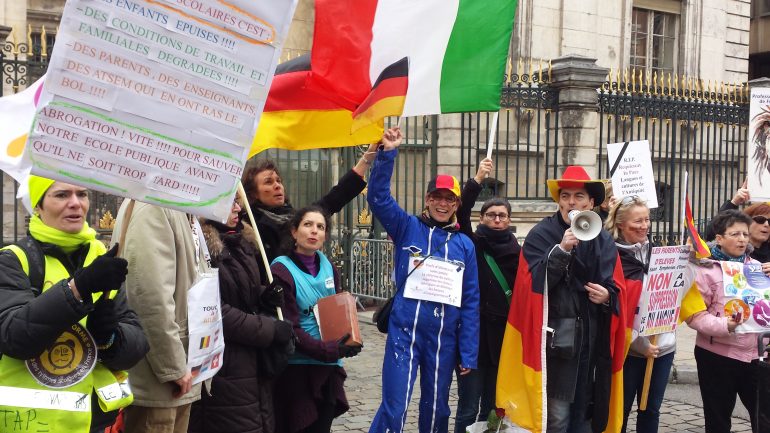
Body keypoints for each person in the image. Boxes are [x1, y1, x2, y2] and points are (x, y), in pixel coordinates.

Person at [0, 176, 148, 433]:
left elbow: (137, 347)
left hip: (99, 422)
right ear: (38, 205)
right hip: (32, 423)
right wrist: (77, 289)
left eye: (82, 194)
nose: (75, 203)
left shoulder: (101, 257)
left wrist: (108, 338)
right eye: (61, 195)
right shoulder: (14, 261)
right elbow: (15, 336)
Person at [368, 128, 480, 433]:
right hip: (404, 333)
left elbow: (470, 302)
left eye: (449, 200)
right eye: (437, 198)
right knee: (396, 403)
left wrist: (468, 351)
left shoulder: (465, 245)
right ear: (427, 199)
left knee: (437, 410)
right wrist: (388, 153)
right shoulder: (407, 227)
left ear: (457, 204)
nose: (442, 204)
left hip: (444, 339)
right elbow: (378, 199)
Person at [499, 166, 624, 433]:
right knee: (557, 415)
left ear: (591, 203)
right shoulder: (541, 234)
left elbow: (615, 287)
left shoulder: (602, 238)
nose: (571, 202)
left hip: (590, 340)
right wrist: (562, 250)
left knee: (584, 411)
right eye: (565, 195)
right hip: (555, 341)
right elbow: (531, 285)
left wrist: (606, 297)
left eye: (579, 196)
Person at [188, 197, 294, 433]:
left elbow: (243, 292)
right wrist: (269, 329)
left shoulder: (242, 243)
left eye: (238, 201)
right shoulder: (200, 249)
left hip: (250, 363)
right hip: (224, 368)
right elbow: (215, 311)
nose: (238, 208)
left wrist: (264, 295)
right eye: (230, 202)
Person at [113, 201, 209, 433]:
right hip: (162, 377)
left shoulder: (177, 206)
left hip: (180, 370)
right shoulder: (153, 204)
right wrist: (173, 366)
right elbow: (148, 295)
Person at [271, 205, 362, 433]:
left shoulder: (329, 266)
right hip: (298, 368)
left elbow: (336, 312)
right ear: (294, 231)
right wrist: (328, 350)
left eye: (320, 227)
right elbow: (290, 326)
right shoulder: (281, 269)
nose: (314, 231)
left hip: (329, 367)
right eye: (308, 225)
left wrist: (349, 341)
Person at [241, 142, 378, 276]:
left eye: (278, 180)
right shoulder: (248, 226)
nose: (277, 186)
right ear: (253, 193)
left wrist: (367, 158)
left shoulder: (293, 217)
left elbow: (333, 200)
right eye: (268, 182)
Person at [453, 158, 520, 433]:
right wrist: (477, 179)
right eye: (491, 214)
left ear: (509, 220)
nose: (496, 219)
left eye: (502, 215)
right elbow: (460, 211)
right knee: (468, 406)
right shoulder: (472, 241)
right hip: (474, 337)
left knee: (493, 407)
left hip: (503, 340)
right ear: (482, 218)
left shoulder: (518, 252)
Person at [686, 210, 761, 433]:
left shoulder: (756, 267)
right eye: (735, 234)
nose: (742, 239)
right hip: (718, 356)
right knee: (718, 418)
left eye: (745, 234)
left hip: (756, 355)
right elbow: (694, 315)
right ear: (719, 238)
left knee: (762, 415)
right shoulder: (704, 269)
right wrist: (723, 326)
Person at [605, 196, 674, 433]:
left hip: (662, 347)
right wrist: (636, 342)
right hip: (627, 351)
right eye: (638, 221)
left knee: (651, 409)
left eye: (647, 219)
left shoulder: (661, 255)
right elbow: (611, 308)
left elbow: (675, 295)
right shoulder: (610, 257)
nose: (644, 225)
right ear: (620, 224)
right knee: (619, 411)